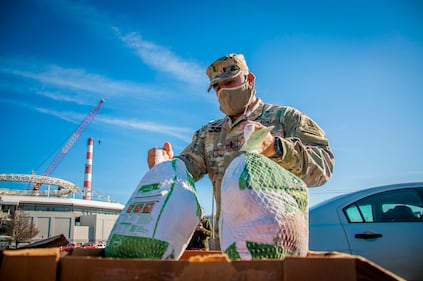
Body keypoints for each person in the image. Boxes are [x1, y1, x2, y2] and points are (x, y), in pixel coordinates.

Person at [148, 53, 335, 230]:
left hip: (281, 240)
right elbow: (187, 169)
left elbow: (323, 168)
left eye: (229, 82)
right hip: (229, 243)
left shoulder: (286, 118)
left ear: (250, 80)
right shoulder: (209, 133)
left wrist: (275, 148)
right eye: (217, 87)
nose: (223, 91)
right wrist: (167, 167)